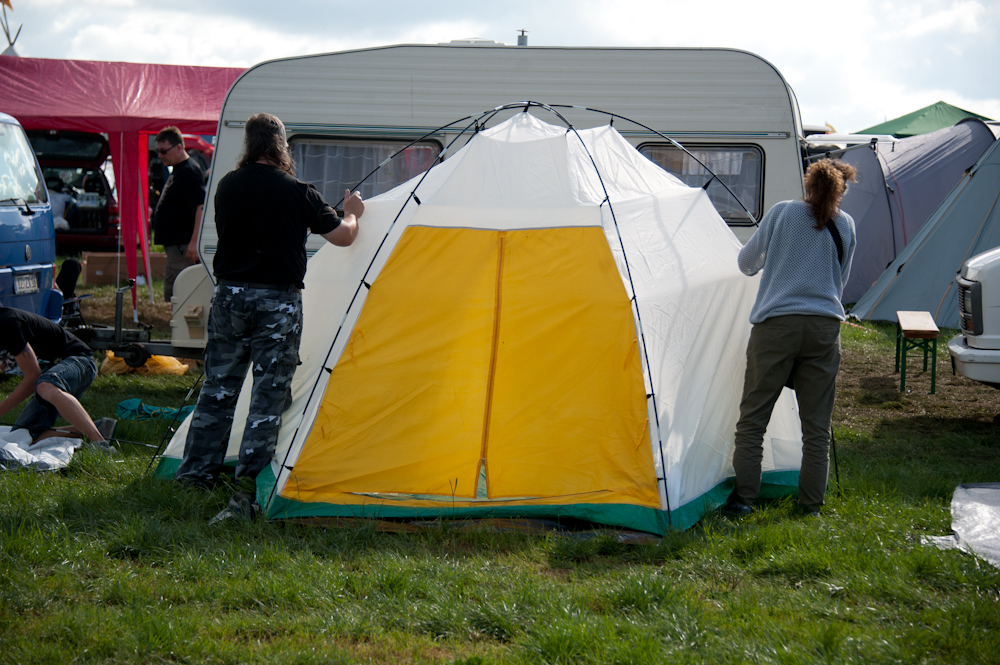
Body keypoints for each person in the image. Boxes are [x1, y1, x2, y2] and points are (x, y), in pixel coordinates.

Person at [175, 113, 363, 498]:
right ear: (280, 146)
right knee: (267, 395)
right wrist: (352, 213)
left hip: (229, 297)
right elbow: (343, 237)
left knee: (218, 389)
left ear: (248, 143)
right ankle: (248, 485)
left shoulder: (227, 186)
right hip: (276, 302)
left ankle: (194, 477)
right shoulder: (298, 191)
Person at [724, 158, 858, 518]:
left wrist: (780, 259)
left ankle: (744, 501)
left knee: (753, 419)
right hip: (825, 328)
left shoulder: (782, 212)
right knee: (817, 426)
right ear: (841, 189)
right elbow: (839, 280)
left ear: (808, 183)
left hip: (777, 325)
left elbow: (746, 263)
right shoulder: (846, 225)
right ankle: (811, 506)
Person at [0, 306, 115, 446]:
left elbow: (32, 377)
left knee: (45, 385)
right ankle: (100, 429)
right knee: (23, 434)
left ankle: (100, 444)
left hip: (81, 361)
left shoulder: (8, 323)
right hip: (51, 374)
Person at [153, 126, 206, 302]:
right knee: (176, 292)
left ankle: (181, 327)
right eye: (157, 151)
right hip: (176, 245)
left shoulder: (189, 171)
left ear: (178, 148)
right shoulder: (178, 168)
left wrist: (193, 242)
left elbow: (201, 206)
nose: (160, 156)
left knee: (181, 293)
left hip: (183, 246)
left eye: (163, 151)